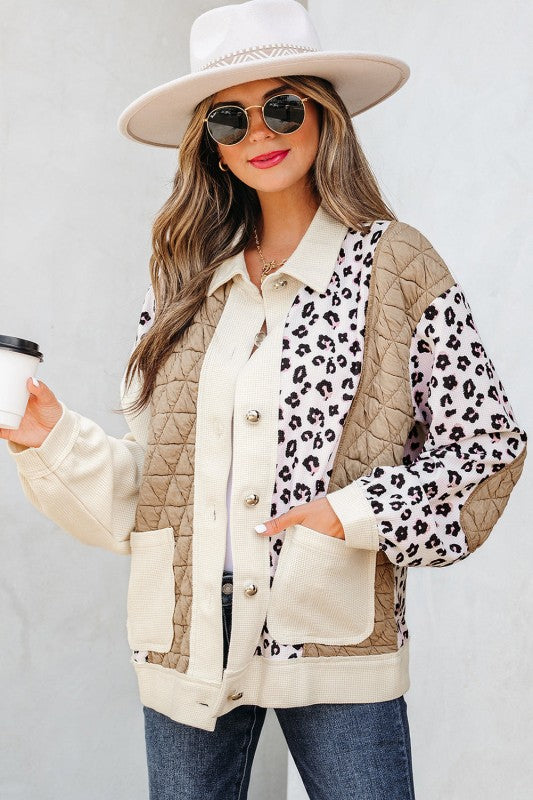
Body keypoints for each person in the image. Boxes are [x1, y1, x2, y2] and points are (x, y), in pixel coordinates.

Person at [2, 1, 527, 798]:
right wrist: (50, 437)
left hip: (331, 643)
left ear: (324, 117)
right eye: (227, 118)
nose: (259, 132)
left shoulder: (396, 264)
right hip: (184, 646)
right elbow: (153, 494)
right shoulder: (182, 286)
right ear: (208, 146)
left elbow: (487, 449)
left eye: (282, 105)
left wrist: (346, 514)